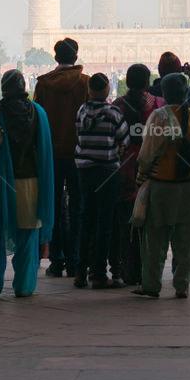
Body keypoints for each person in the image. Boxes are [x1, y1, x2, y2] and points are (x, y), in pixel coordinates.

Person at [0, 70, 54, 298]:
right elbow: (44, 151)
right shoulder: (38, 113)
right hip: (31, 183)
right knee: (28, 237)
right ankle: (24, 286)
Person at [134, 72, 190, 298]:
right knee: (187, 244)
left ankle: (151, 285)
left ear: (165, 93)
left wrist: (141, 177)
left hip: (162, 186)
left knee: (154, 242)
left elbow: (147, 153)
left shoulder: (158, 117)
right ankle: (182, 285)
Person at [33, 38, 89, 279]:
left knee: (53, 208)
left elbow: (36, 120)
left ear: (56, 58)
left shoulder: (45, 85)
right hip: (79, 155)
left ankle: (57, 261)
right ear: (76, 58)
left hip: (51, 156)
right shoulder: (85, 83)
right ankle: (75, 260)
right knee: (78, 208)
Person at [74, 72, 129, 289]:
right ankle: (98, 274)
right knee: (104, 224)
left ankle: (80, 272)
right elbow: (124, 139)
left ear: (89, 90)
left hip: (84, 171)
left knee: (85, 220)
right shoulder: (113, 113)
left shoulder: (81, 111)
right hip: (107, 172)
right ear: (107, 90)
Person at [111, 63, 158, 285]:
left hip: (124, 170)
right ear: (147, 82)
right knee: (150, 225)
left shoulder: (118, 106)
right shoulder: (156, 105)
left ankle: (128, 269)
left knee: (126, 223)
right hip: (151, 171)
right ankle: (148, 271)